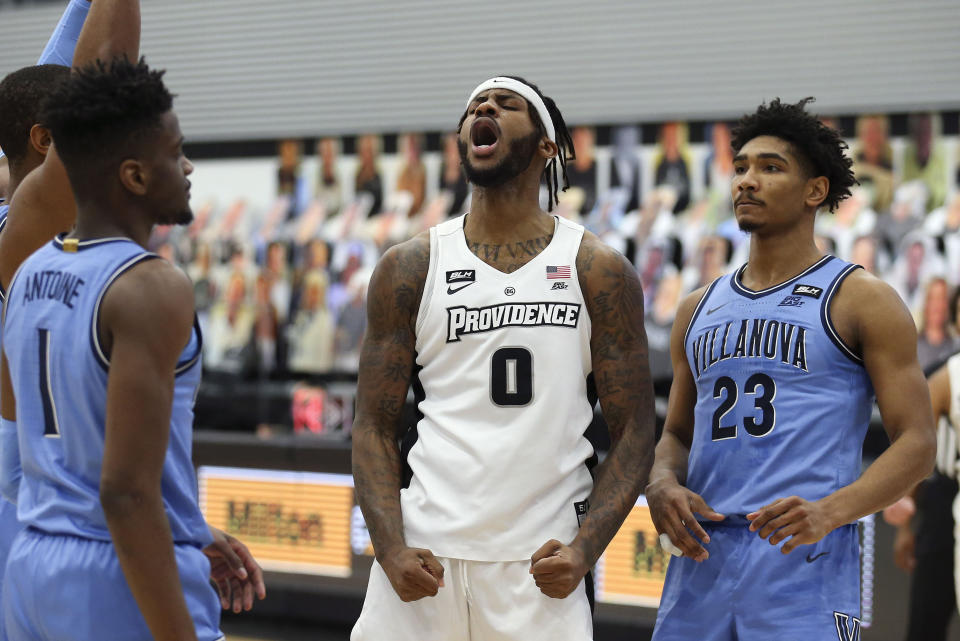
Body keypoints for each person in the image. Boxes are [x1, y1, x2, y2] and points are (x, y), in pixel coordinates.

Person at [350, 76, 656, 641]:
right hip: (423, 557)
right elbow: (371, 425)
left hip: (540, 566)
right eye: (472, 108)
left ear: (547, 145)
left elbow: (637, 428)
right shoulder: (410, 266)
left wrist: (586, 550)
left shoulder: (598, 269)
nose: (482, 108)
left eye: (505, 104)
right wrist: (390, 547)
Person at [646, 97, 936, 639]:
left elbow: (918, 444)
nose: (747, 182)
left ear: (815, 191)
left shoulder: (861, 298)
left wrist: (831, 512)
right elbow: (677, 434)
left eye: (770, 168)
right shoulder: (696, 307)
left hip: (805, 568)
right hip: (700, 563)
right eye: (741, 169)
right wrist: (661, 482)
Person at [0, 57, 265, 641]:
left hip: (31, 562)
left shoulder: (26, 272)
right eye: (174, 153)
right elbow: (124, 490)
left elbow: (29, 432)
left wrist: (186, 524)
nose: (188, 167)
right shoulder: (150, 285)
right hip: (115, 568)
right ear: (134, 177)